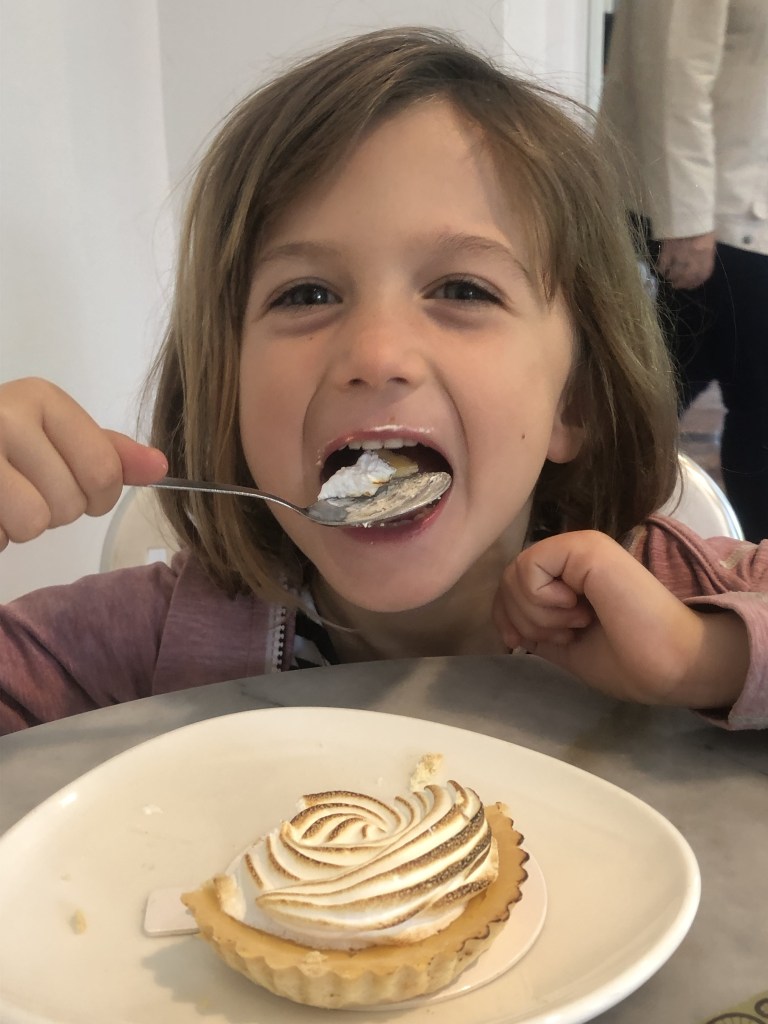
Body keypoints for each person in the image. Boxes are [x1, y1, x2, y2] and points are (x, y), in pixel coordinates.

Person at [0, 27, 766, 735]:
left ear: (576, 400)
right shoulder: (157, 641)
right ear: (223, 390)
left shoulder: (672, 588)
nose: (377, 352)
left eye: (463, 290)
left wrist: (702, 658)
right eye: (306, 294)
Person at [599, 0, 768, 543]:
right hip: (712, 218)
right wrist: (688, 222)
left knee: (655, 389)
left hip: (740, 210)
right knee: (748, 405)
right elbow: (673, 72)